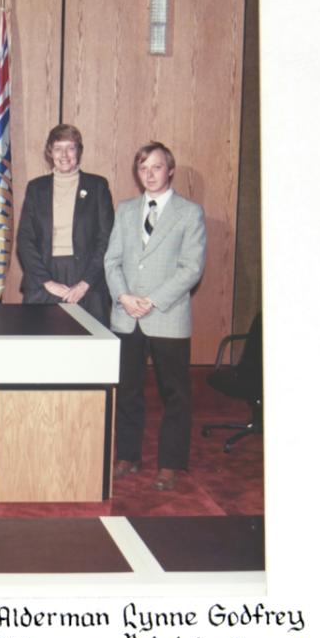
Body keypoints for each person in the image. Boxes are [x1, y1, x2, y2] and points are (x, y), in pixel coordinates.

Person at [104, 141, 206, 491]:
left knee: (175, 395)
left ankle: (170, 464)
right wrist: (123, 296)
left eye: (156, 167)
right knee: (128, 391)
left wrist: (152, 300)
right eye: (143, 168)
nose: (149, 174)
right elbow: (111, 261)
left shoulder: (189, 213)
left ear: (170, 170)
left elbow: (191, 268)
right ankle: (127, 456)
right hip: (126, 315)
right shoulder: (126, 210)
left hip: (167, 316)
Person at [16, 124, 114, 324]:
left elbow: (106, 239)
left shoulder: (98, 186)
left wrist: (85, 284)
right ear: (50, 152)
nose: (64, 155)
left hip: (87, 279)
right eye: (58, 148)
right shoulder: (36, 188)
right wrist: (47, 282)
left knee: (88, 341)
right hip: (43, 276)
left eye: (70, 148)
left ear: (79, 151)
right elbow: (25, 240)